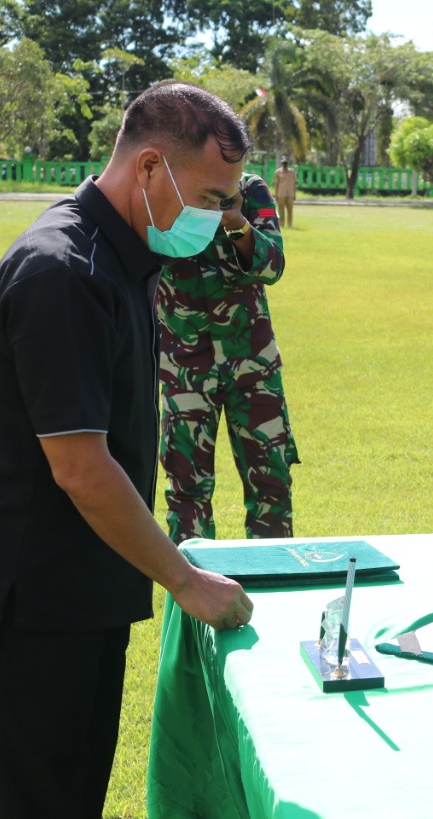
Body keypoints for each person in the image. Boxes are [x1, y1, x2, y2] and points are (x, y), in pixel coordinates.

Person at [0, 81, 256, 819]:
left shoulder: (122, 258)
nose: (224, 219)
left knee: (73, 815)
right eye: (212, 196)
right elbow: (81, 468)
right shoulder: (65, 271)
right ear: (151, 168)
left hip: (82, 587)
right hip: (30, 598)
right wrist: (184, 577)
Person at [156, 171, 298, 542]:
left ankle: (273, 593)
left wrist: (236, 222)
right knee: (187, 493)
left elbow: (273, 266)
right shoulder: (163, 190)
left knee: (272, 486)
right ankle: (191, 597)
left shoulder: (249, 190)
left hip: (253, 366)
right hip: (185, 367)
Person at [273, 156, 297, 227]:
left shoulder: (292, 172)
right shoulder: (278, 172)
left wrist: (294, 194)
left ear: (287, 164)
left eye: (286, 163)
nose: (285, 164)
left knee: (290, 210)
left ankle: (290, 224)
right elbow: (276, 184)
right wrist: (276, 194)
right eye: (283, 163)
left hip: (290, 193)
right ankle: (281, 224)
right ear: (281, 164)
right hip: (281, 194)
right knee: (281, 210)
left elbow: (294, 184)